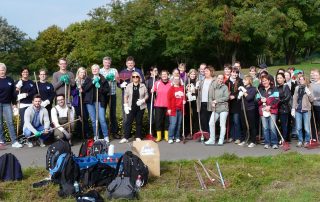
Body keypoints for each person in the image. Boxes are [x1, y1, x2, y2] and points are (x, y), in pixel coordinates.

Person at [83, 64, 110, 142]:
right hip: (90, 102)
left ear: (99, 70)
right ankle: (96, 135)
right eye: (93, 69)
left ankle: (106, 136)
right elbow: (85, 88)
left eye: (96, 69)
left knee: (102, 119)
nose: (95, 70)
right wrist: (93, 82)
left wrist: (100, 87)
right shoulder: (88, 78)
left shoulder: (103, 79)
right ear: (91, 70)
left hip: (100, 102)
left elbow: (106, 90)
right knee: (94, 120)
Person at [119, 72, 148, 143]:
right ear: (132, 78)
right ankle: (126, 137)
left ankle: (138, 136)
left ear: (139, 78)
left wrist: (143, 100)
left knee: (139, 122)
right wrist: (125, 105)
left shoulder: (143, 85)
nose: (135, 78)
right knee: (128, 122)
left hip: (140, 107)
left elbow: (147, 95)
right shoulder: (129, 86)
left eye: (137, 76)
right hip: (130, 107)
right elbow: (126, 96)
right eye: (134, 77)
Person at [0, 63, 23, 148]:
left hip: (7, 104)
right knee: (0, 123)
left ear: (5, 70)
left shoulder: (10, 80)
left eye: (3, 70)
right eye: (0, 70)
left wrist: (14, 103)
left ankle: (14, 141)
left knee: (10, 122)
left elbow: (13, 93)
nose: (2, 71)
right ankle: (1, 141)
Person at [256, 75, 280, 149]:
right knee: (265, 128)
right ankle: (267, 143)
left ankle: (274, 143)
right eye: (263, 81)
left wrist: (270, 106)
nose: (264, 82)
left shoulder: (274, 89)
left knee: (272, 127)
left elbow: (277, 99)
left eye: (266, 80)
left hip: (272, 111)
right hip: (263, 111)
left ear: (269, 81)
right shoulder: (260, 90)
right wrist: (261, 100)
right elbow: (256, 101)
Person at [205, 74, 229, 145]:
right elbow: (210, 97)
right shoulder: (213, 86)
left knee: (222, 124)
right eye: (219, 78)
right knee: (211, 123)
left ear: (223, 80)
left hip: (223, 108)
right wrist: (211, 102)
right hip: (215, 108)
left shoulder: (225, 87)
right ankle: (212, 139)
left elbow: (226, 97)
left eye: (221, 79)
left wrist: (217, 101)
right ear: (216, 79)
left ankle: (221, 139)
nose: (220, 80)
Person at [118, 56, 144, 121]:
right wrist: (121, 85)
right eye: (129, 63)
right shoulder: (122, 72)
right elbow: (118, 83)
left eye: (131, 63)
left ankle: (136, 130)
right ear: (126, 64)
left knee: (137, 115)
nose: (130, 64)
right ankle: (126, 130)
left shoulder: (138, 71)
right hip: (126, 96)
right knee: (126, 114)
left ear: (134, 63)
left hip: (137, 95)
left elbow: (143, 81)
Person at [99, 56, 120, 139]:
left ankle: (114, 132)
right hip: (103, 95)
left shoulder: (114, 70)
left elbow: (119, 80)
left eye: (108, 62)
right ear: (103, 63)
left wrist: (114, 78)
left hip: (112, 94)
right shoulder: (100, 71)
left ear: (110, 63)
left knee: (113, 114)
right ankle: (102, 133)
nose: (107, 64)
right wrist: (105, 79)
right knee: (102, 114)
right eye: (105, 62)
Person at [292, 75, 314, 147]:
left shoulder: (309, 87)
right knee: (298, 127)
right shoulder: (297, 88)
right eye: (300, 79)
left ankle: (307, 141)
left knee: (307, 127)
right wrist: (293, 108)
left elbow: (312, 100)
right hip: (298, 110)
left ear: (305, 80)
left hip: (306, 110)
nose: (301, 81)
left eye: (302, 79)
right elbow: (295, 98)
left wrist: (309, 93)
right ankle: (300, 140)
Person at [15, 67, 37, 135]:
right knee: (24, 121)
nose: (25, 73)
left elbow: (34, 92)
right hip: (22, 105)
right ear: (21, 73)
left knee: (31, 121)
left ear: (28, 73)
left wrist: (26, 94)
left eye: (26, 72)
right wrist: (17, 89)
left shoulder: (31, 82)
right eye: (24, 72)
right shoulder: (18, 82)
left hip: (30, 104)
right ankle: (24, 136)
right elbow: (14, 94)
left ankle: (31, 137)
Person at [237, 75, 257, 147]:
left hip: (250, 109)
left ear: (249, 81)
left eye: (245, 80)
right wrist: (239, 96)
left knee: (252, 126)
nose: (243, 81)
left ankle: (253, 141)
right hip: (243, 110)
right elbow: (238, 100)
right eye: (243, 80)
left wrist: (244, 91)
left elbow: (249, 98)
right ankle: (244, 140)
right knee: (244, 126)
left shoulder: (253, 89)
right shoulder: (242, 89)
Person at [225, 68, 243, 144]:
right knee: (230, 121)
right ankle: (232, 136)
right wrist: (227, 96)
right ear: (231, 73)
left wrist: (234, 96)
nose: (234, 74)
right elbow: (225, 90)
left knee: (236, 121)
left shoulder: (240, 81)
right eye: (233, 73)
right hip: (229, 104)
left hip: (237, 104)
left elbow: (241, 90)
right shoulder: (227, 81)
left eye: (236, 73)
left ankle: (238, 137)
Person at [152, 70, 172, 141]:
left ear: (168, 75)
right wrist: (152, 90)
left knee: (167, 121)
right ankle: (159, 136)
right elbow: (153, 91)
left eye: (165, 74)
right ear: (160, 75)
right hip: (158, 105)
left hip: (168, 105)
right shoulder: (157, 83)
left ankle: (166, 136)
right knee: (158, 120)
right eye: (162, 74)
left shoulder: (171, 83)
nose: (164, 75)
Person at [71, 67, 90, 139]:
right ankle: (79, 134)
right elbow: (72, 93)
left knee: (85, 117)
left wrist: (83, 90)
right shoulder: (74, 82)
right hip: (77, 102)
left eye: (84, 72)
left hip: (84, 101)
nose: (83, 74)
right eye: (81, 72)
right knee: (79, 118)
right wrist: (77, 90)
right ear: (78, 73)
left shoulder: (86, 81)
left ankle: (86, 133)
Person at [196, 66, 215, 133]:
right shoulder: (202, 81)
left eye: (207, 71)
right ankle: (205, 134)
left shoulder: (214, 81)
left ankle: (211, 134)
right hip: (202, 102)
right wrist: (196, 87)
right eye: (205, 71)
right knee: (203, 119)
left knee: (211, 119)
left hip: (210, 103)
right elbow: (198, 91)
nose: (205, 72)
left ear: (211, 72)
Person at [167, 76, 185, 143]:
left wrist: (184, 100)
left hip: (180, 109)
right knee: (173, 124)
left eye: (178, 79)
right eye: (175, 79)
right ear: (173, 80)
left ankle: (177, 137)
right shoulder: (171, 89)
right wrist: (169, 108)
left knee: (179, 124)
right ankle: (170, 137)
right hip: (173, 109)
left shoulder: (182, 88)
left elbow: (184, 97)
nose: (176, 80)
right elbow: (168, 100)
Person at [276, 73, 291, 142]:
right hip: (276, 109)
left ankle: (284, 140)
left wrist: (278, 101)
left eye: (280, 78)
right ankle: (280, 138)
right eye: (278, 78)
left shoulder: (286, 86)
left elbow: (287, 98)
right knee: (278, 125)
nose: (279, 79)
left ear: (284, 79)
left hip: (284, 109)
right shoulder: (276, 87)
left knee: (284, 125)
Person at [185, 69, 199, 138]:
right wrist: (187, 90)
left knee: (195, 116)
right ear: (189, 75)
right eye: (191, 74)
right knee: (188, 116)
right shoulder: (186, 82)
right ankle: (188, 132)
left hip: (195, 101)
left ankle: (195, 131)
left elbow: (198, 91)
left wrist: (194, 91)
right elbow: (184, 90)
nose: (193, 75)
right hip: (188, 101)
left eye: (194, 74)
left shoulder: (197, 82)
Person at [310, 69, 320, 139]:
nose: (315, 76)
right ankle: (314, 136)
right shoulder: (310, 84)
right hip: (312, 105)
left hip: (319, 105)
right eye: (314, 75)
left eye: (316, 75)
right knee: (313, 122)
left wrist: (316, 98)